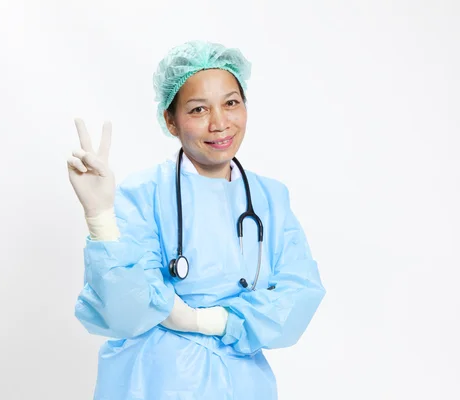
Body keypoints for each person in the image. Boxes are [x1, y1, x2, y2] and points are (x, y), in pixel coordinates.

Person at [67, 40, 326, 400]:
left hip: (243, 386)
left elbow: (298, 294)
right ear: (170, 121)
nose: (219, 123)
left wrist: (208, 320)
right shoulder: (143, 193)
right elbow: (123, 310)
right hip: (151, 382)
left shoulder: (270, 199)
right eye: (198, 109)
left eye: (231, 103)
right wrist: (100, 217)